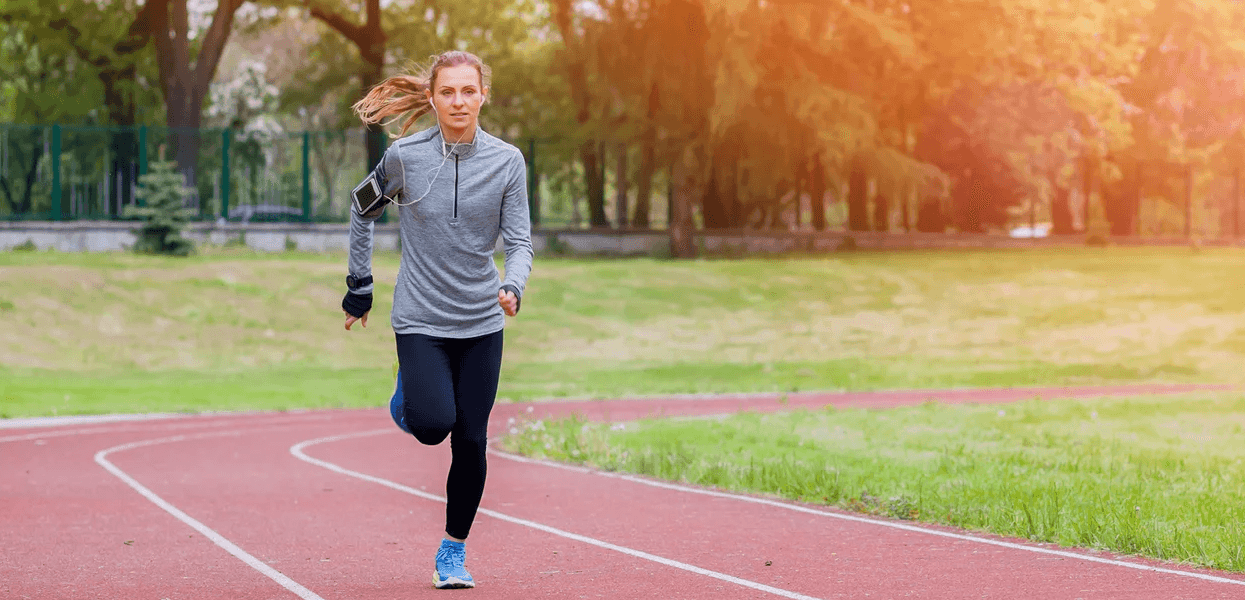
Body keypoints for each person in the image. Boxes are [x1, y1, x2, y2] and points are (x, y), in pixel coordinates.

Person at [340, 50, 533, 589]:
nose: (458, 101)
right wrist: (360, 287)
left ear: (482, 96)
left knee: (471, 439)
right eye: (447, 91)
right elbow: (362, 209)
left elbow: (519, 240)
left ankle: (453, 552)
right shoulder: (404, 157)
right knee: (431, 425)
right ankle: (408, 397)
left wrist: (513, 284)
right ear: (432, 98)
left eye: (468, 91)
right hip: (421, 318)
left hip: (480, 322)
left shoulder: (507, 161)